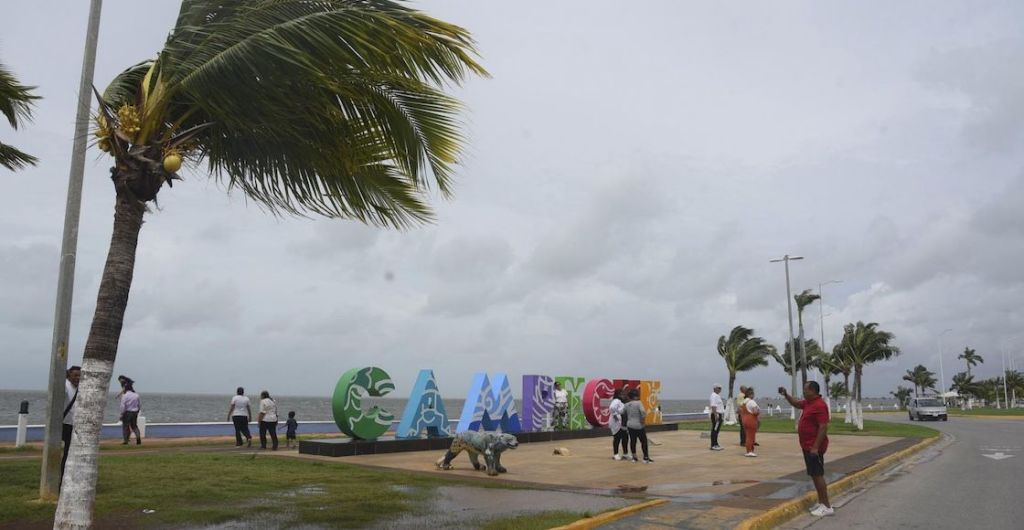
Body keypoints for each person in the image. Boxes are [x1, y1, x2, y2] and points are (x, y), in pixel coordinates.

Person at [780, 381, 834, 517]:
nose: (803, 392)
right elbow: (797, 404)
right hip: (807, 446)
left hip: (814, 447)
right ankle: (821, 502)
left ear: (813, 391)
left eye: (805, 390)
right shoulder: (809, 403)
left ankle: (827, 506)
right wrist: (786, 395)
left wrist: (815, 447)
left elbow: (823, 427)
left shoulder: (820, 405)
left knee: (818, 475)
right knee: (814, 475)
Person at [61, 365, 81, 481]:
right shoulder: (65, 386)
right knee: (67, 453)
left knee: (70, 453)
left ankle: (66, 476)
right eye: (75, 375)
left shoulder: (79, 388)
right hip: (64, 424)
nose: (78, 378)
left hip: (74, 425)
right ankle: (63, 476)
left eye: (80, 376)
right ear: (69, 376)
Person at [624, 389, 652, 463]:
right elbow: (643, 411)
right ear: (636, 396)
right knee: (644, 441)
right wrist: (643, 419)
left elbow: (622, 412)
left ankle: (634, 457)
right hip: (639, 425)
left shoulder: (626, 404)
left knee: (633, 441)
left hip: (630, 425)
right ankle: (645, 457)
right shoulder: (639, 403)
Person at [119, 380, 142, 445]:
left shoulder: (125, 396)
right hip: (134, 412)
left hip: (127, 412)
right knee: (134, 426)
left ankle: (126, 441)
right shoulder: (136, 395)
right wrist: (137, 411)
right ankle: (138, 439)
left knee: (125, 426)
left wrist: (121, 414)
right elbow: (139, 405)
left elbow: (122, 406)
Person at [609, 388, 628, 460]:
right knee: (617, 438)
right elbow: (611, 408)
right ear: (618, 395)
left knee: (625, 438)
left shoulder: (621, 402)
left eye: (624, 394)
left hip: (622, 423)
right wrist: (615, 414)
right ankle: (616, 454)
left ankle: (625, 454)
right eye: (622, 394)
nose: (624, 395)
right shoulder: (616, 401)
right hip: (617, 423)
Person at [742, 387, 760, 457]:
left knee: (748, 436)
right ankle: (749, 451)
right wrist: (758, 412)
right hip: (751, 420)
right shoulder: (752, 402)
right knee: (751, 436)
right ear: (751, 394)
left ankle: (749, 450)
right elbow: (755, 412)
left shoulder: (744, 402)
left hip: (745, 420)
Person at [709, 384, 724, 451]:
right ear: (715, 388)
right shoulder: (713, 395)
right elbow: (713, 406)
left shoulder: (717, 396)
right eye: (718, 388)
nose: (720, 389)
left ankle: (716, 444)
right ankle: (713, 445)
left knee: (716, 430)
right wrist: (716, 415)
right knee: (715, 430)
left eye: (720, 388)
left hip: (719, 414)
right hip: (716, 414)